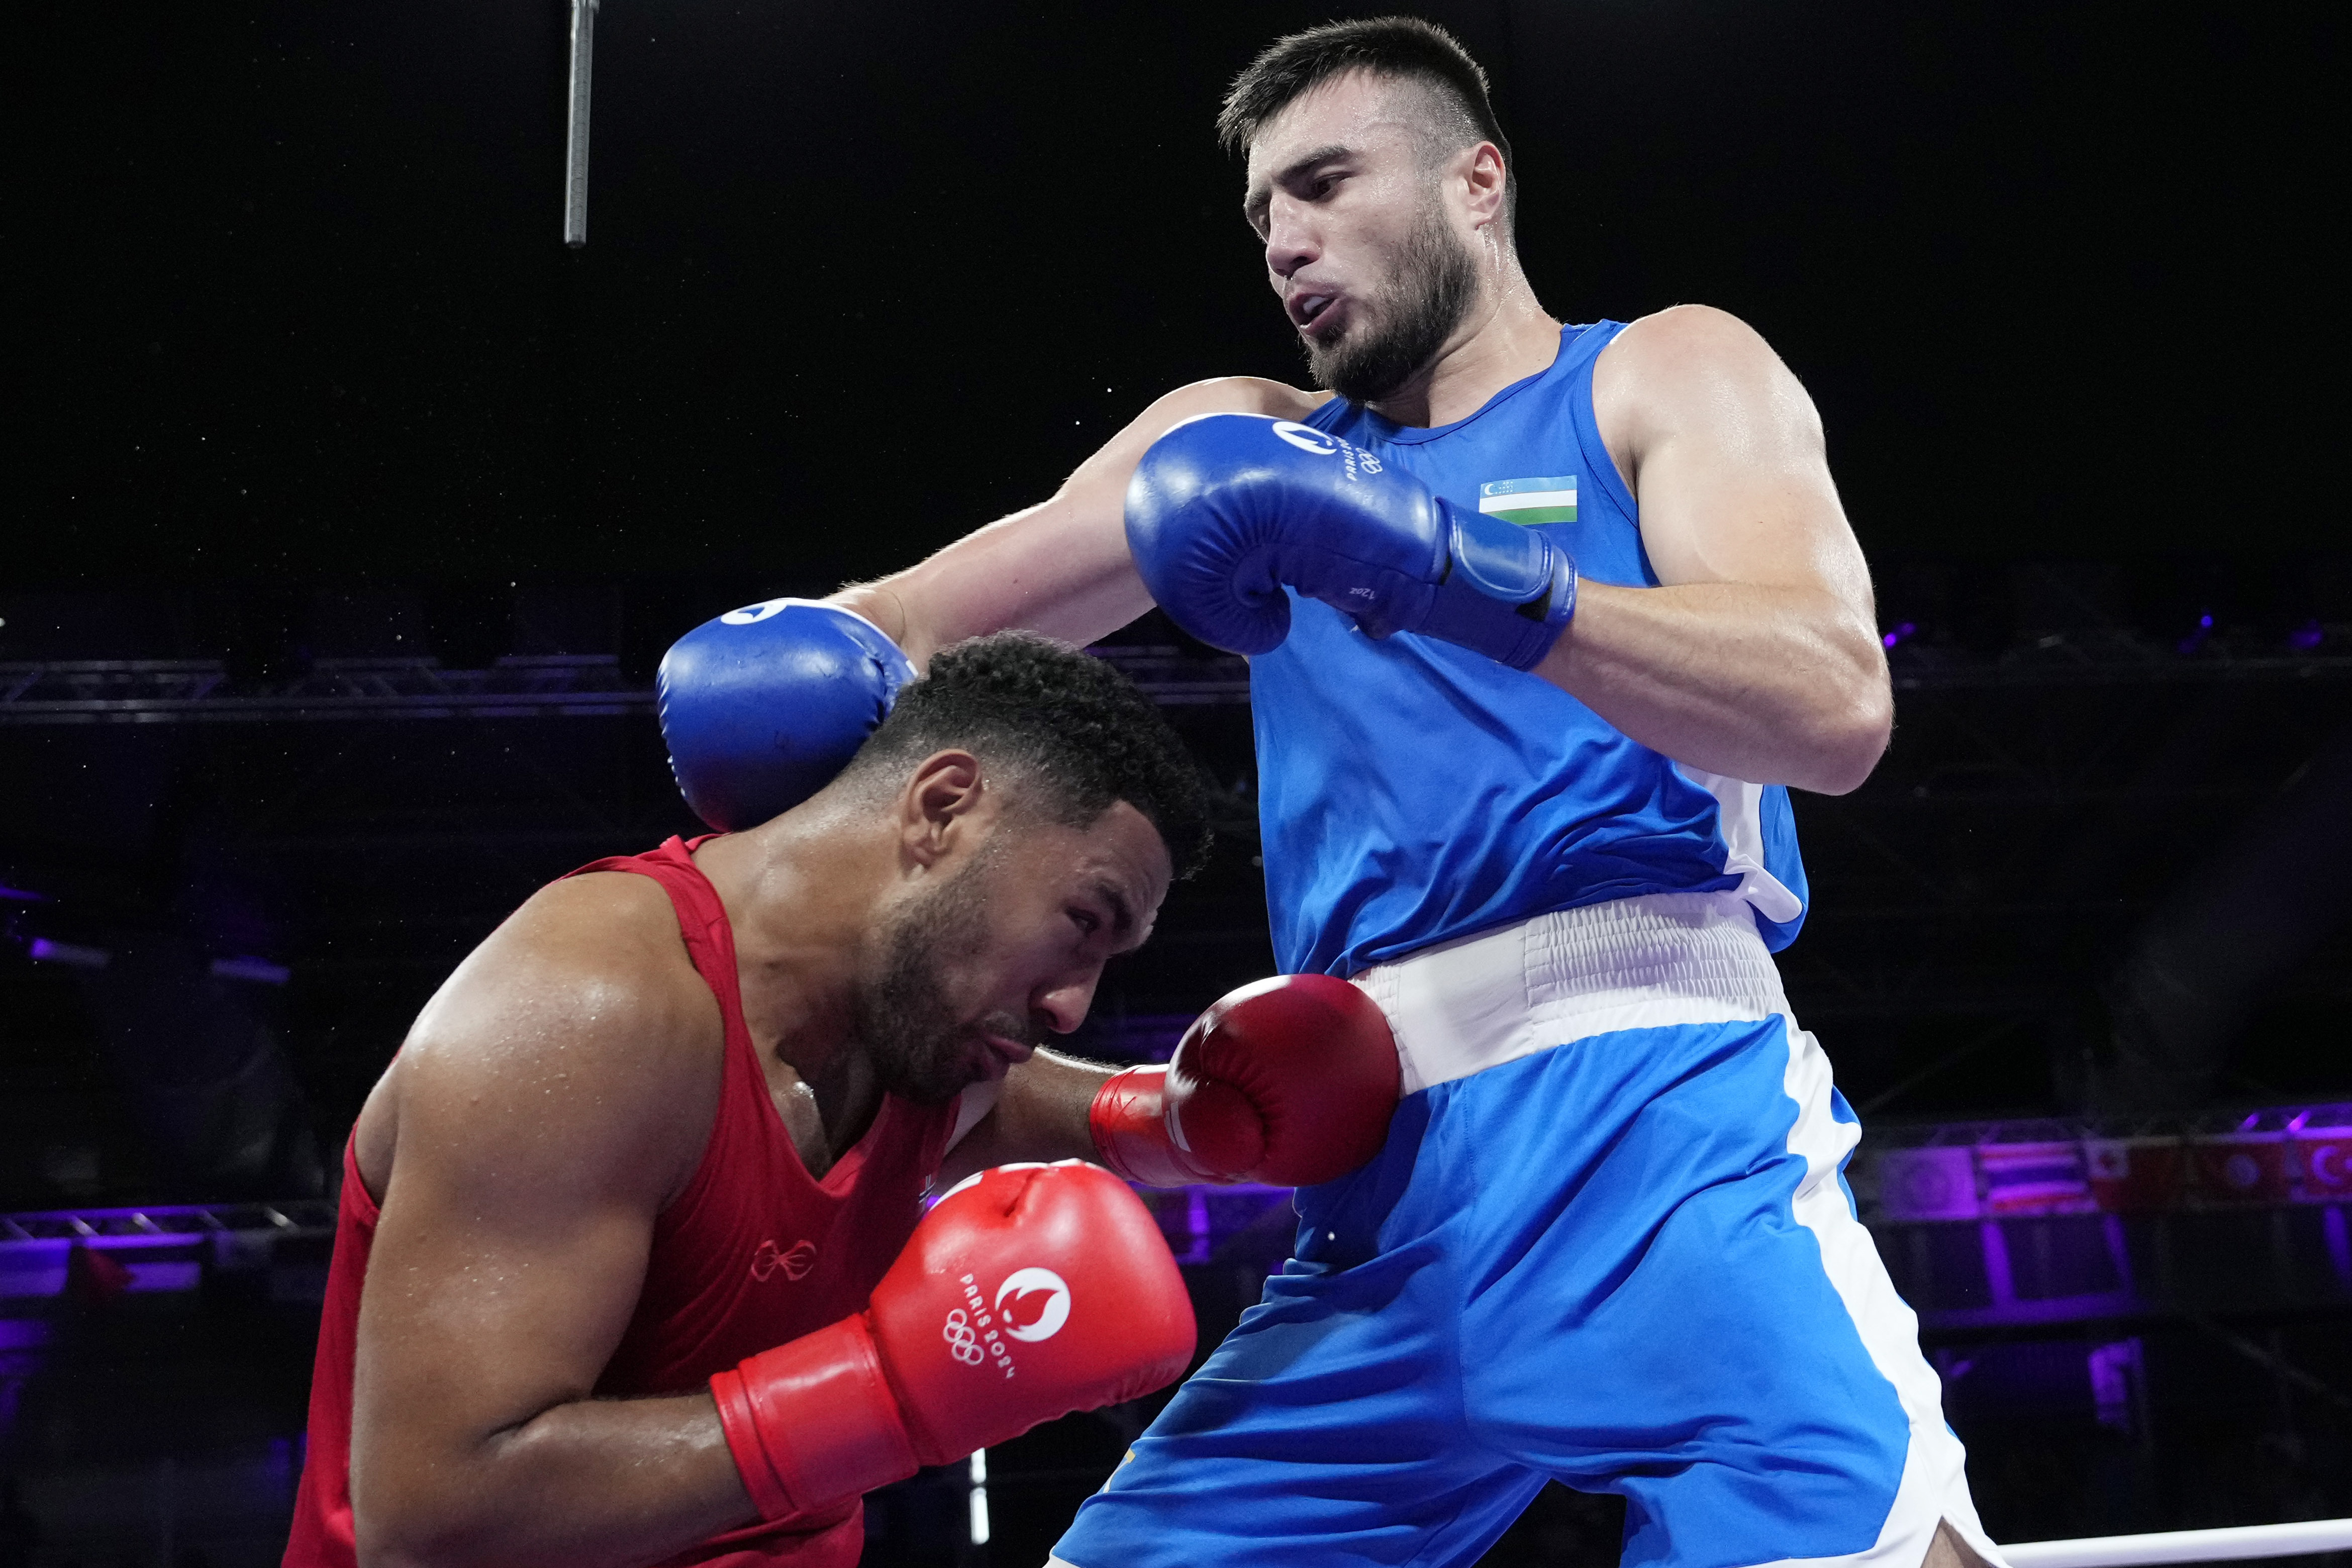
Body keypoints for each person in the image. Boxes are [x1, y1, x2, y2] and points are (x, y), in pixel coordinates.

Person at [663, 16, 2011, 1568]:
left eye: (1324, 185)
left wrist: (1451, 569)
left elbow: (1836, 703)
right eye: (1260, 218)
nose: (1285, 244)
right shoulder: (1247, 448)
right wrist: (802, 662)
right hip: (1369, 1184)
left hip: (1654, 1122)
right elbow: (915, 620)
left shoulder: (1658, 372)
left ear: (1475, 185)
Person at [281, 631, 1403, 1568]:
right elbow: (431, 1515)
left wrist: (1157, 1123)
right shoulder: (589, 1017)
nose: (1074, 1005)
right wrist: (886, 1395)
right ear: (943, 807)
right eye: (1084, 920)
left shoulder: (917, 1033)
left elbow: (995, 1105)